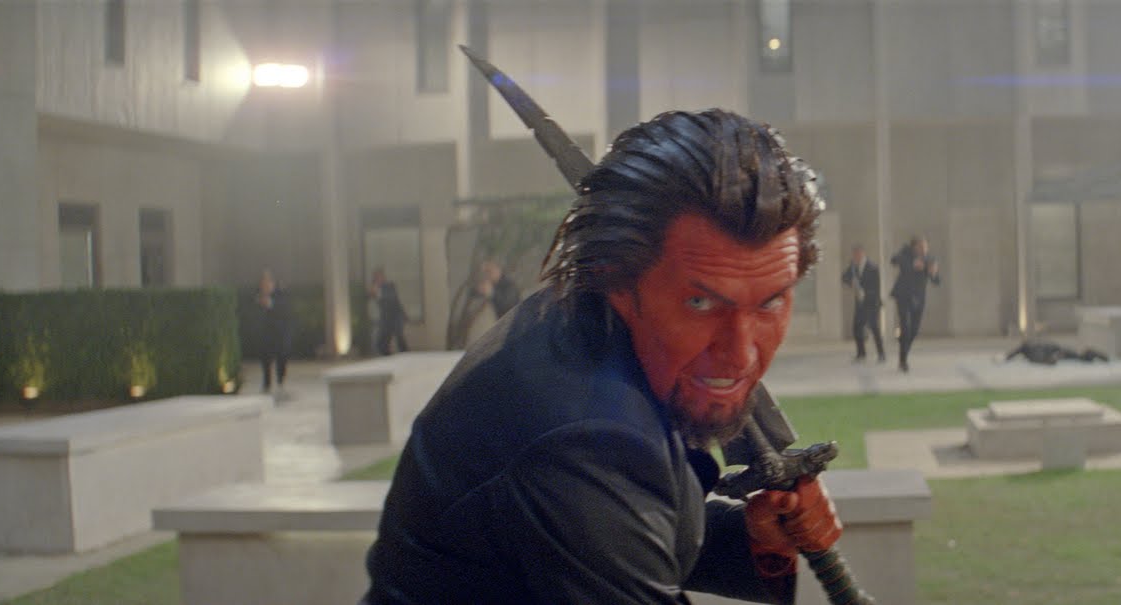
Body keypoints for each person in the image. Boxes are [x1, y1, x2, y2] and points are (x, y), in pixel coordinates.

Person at [363, 109, 841, 604]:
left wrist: (754, 541)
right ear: (616, 280)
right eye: (699, 302)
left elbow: (622, 525)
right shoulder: (582, 439)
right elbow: (596, 504)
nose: (740, 354)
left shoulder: (585, 326)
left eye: (770, 302)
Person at [888, 235, 939, 372]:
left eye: (925, 246)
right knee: (905, 326)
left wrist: (933, 273)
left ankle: (903, 350)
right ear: (914, 247)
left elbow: (936, 281)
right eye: (921, 246)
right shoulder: (905, 253)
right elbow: (894, 260)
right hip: (903, 296)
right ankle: (903, 361)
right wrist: (912, 264)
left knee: (914, 331)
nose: (924, 249)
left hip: (919, 298)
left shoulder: (930, 259)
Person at [841, 244, 885, 363]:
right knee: (857, 328)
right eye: (854, 255)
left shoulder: (873, 267)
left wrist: (865, 293)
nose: (856, 257)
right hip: (860, 304)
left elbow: (876, 287)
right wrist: (851, 283)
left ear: (862, 253)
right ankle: (861, 353)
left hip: (872, 303)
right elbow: (844, 277)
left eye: (858, 254)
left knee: (874, 328)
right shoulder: (853, 267)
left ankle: (881, 354)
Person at [255, 269, 292, 394]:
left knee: (281, 358)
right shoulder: (258, 296)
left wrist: (271, 304)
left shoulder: (281, 295)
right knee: (265, 359)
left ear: (273, 283)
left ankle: (281, 382)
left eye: (267, 282)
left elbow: (285, 311)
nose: (265, 285)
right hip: (265, 335)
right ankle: (266, 384)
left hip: (280, 334)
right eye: (263, 283)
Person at [369, 268, 408, 355]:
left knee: (399, 335)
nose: (379, 279)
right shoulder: (375, 288)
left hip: (396, 315)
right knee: (381, 341)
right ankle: (386, 355)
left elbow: (391, 298)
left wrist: (378, 293)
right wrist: (373, 292)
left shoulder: (390, 286)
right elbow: (372, 299)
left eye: (380, 276)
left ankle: (405, 354)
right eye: (377, 277)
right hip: (385, 318)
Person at [1001, 338, 1108, 366]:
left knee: (1078, 357)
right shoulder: (1030, 348)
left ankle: (1090, 354)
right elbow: (1012, 354)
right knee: (1078, 357)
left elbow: (1013, 353)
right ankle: (1091, 353)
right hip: (1055, 349)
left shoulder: (1030, 350)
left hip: (1054, 351)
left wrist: (1006, 358)